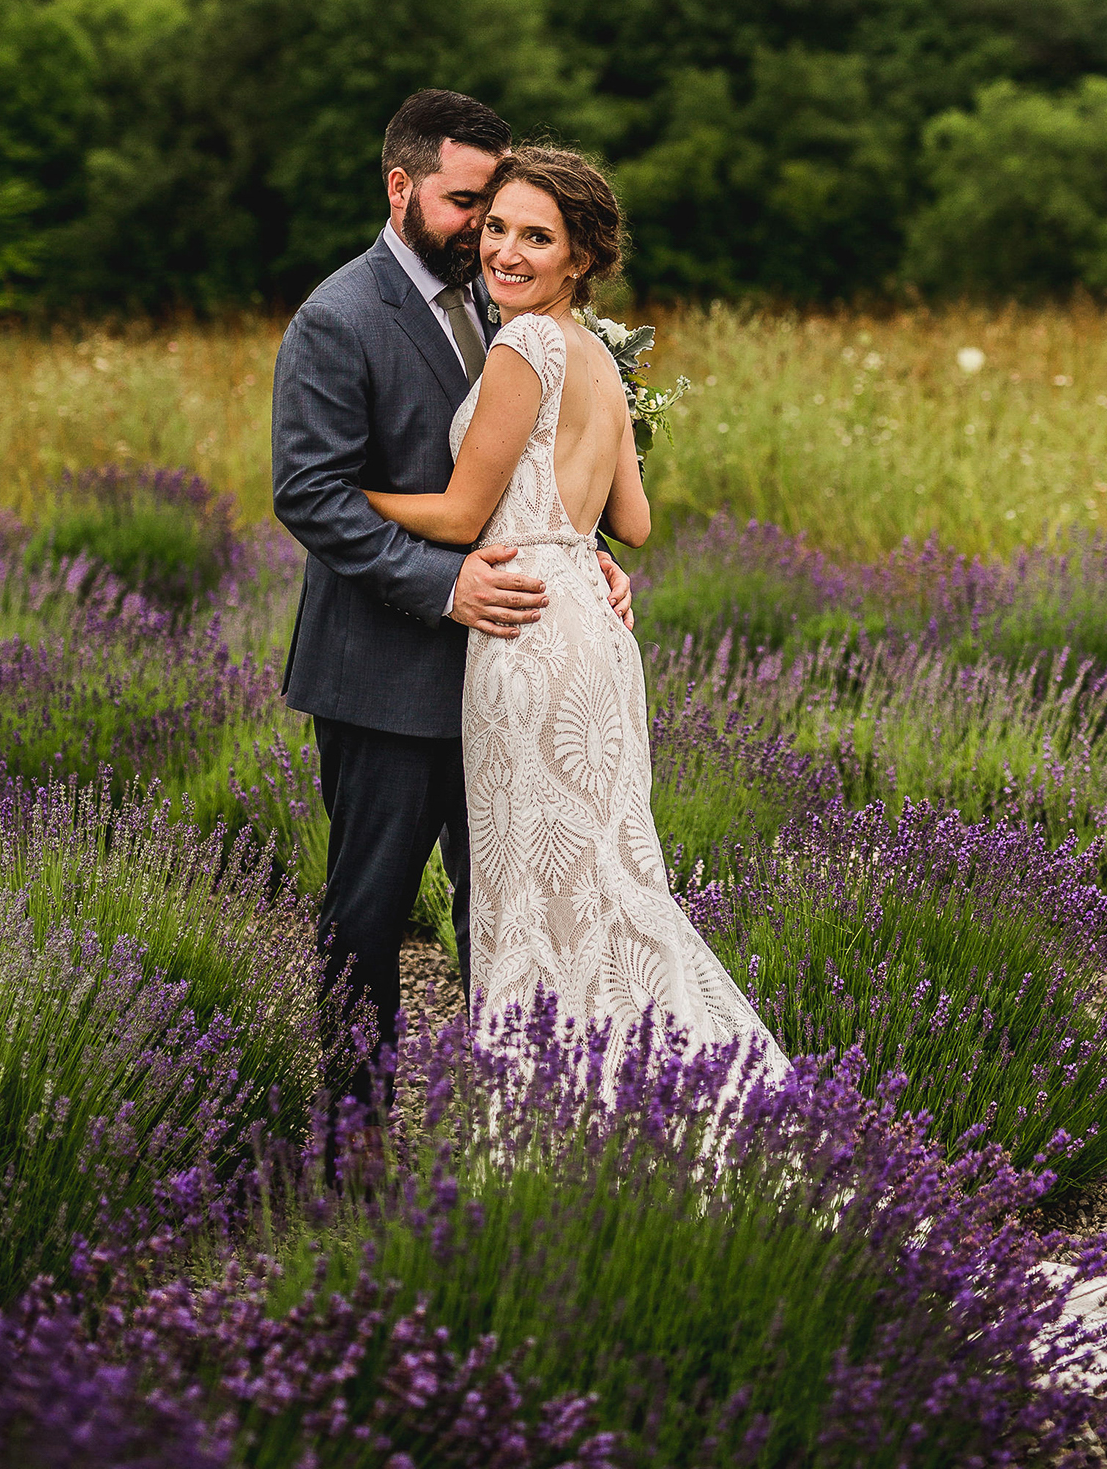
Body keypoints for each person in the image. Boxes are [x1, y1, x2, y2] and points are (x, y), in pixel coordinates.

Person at [362, 144, 786, 1080]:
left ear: (581, 258)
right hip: (593, 631)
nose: (505, 252)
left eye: (537, 238)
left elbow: (463, 515)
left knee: (535, 884)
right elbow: (631, 521)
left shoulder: (524, 345)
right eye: (498, 229)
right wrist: (573, 538)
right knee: (607, 876)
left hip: (525, 636)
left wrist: (359, 497)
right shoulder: (599, 354)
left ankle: (564, 1111)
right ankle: (649, 1083)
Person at [271, 91, 634, 1098]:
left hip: (516, 671)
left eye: (501, 209)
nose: (487, 231)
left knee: (512, 911)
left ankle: (518, 1137)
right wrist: (445, 587)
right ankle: (358, 1145)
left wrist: (582, 550)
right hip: (385, 674)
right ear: (402, 187)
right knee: (369, 917)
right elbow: (308, 493)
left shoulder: (507, 300)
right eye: (466, 202)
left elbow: (532, 461)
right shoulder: (337, 318)